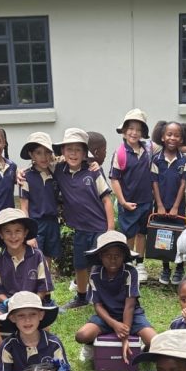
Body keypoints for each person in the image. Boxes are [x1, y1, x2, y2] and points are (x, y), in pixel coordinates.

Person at [52, 128, 114, 311]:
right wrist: (20, 172)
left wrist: (110, 229)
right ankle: (81, 297)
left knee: (100, 265)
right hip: (80, 229)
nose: (73, 154)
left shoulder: (93, 172)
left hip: (99, 228)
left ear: (84, 153)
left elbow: (107, 200)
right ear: (62, 151)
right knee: (80, 264)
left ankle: (103, 297)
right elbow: (39, 163)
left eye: (78, 150)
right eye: (69, 149)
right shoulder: (59, 170)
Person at [0, 208, 54, 352]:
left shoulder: (37, 256)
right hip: (8, 303)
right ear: (0, 234)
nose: (13, 236)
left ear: (25, 233)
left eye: (18, 231)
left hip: (34, 302)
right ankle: (3, 356)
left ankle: (38, 351)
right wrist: (8, 303)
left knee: (44, 325)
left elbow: (43, 287)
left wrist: (31, 303)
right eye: (7, 231)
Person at [75, 230, 156, 358]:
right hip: (106, 316)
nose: (112, 259)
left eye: (117, 255)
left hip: (132, 315)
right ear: (100, 256)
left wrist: (125, 336)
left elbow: (130, 306)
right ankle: (90, 345)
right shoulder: (95, 274)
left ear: (124, 256)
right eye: (108, 255)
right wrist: (114, 324)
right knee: (82, 335)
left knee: (155, 341)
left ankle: (142, 350)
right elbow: (97, 306)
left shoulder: (130, 272)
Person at [111, 109, 161, 283]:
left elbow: (170, 146)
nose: (134, 132)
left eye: (138, 130)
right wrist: (123, 201)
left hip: (146, 201)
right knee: (129, 234)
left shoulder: (148, 148)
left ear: (143, 133)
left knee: (142, 233)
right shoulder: (120, 153)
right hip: (129, 203)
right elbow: (115, 180)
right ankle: (128, 262)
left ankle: (140, 263)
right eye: (131, 128)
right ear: (124, 131)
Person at [150, 121, 186, 285]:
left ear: (181, 139)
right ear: (162, 137)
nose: (172, 138)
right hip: (161, 204)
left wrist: (175, 207)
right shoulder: (156, 160)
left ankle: (179, 267)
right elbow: (154, 183)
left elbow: (183, 184)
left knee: (179, 236)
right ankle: (166, 268)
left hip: (178, 206)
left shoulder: (184, 160)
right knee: (163, 236)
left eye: (176, 135)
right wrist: (160, 205)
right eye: (169, 134)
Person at [18, 131, 63, 275]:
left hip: (52, 223)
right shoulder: (25, 177)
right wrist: (28, 233)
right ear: (31, 155)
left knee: (48, 258)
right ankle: (33, 287)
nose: (44, 157)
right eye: (38, 153)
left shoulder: (55, 172)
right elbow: (24, 207)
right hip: (35, 223)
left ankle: (46, 287)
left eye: (47, 152)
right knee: (34, 258)